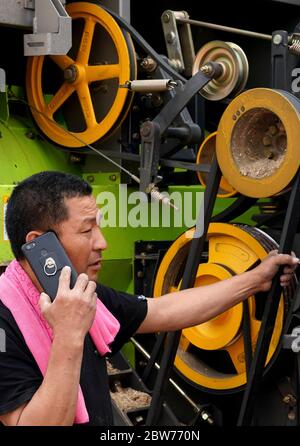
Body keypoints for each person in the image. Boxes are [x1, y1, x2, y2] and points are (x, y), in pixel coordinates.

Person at [0, 171, 297, 426]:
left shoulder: (85, 295)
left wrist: (254, 279)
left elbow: (163, 310)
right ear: (39, 244)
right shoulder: (5, 320)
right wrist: (68, 334)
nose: (101, 242)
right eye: (87, 230)